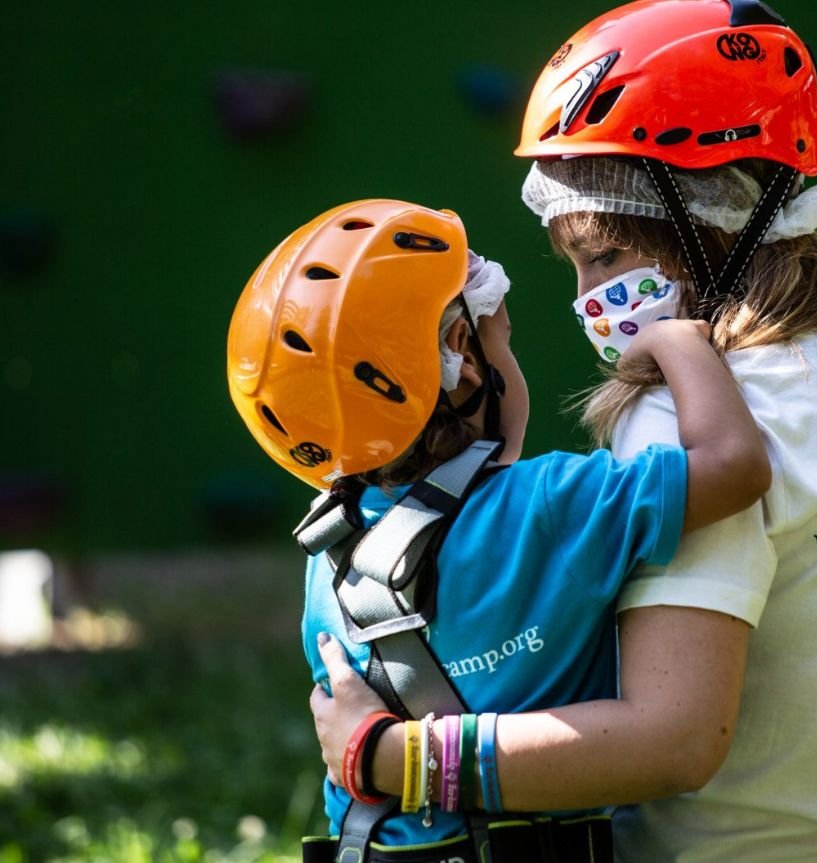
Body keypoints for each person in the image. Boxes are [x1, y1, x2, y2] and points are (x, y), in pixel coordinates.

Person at [309, 2, 817, 861]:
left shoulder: (686, 413)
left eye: (604, 256)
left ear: (709, 222)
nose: (585, 301)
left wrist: (391, 755)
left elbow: (675, 740)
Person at [225, 197, 770, 861]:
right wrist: (679, 342)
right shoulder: (555, 505)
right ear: (461, 352)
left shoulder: (327, 551)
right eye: (501, 339)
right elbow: (735, 466)